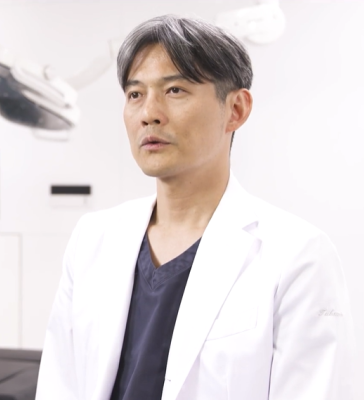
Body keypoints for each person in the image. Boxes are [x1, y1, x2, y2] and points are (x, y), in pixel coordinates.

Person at [35, 14, 355, 400]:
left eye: (175, 90)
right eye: (135, 94)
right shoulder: (93, 238)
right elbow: (60, 385)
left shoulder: (298, 256)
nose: (149, 113)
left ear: (236, 109)